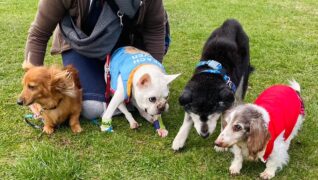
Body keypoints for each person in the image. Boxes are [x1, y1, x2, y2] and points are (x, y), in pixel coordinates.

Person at [24, 0, 169, 120]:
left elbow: (155, 29)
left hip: (126, 49)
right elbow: (39, 34)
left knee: (141, 91)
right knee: (92, 107)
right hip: (80, 46)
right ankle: (124, 100)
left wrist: (154, 75)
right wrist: (33, 85)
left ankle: (126, 99)